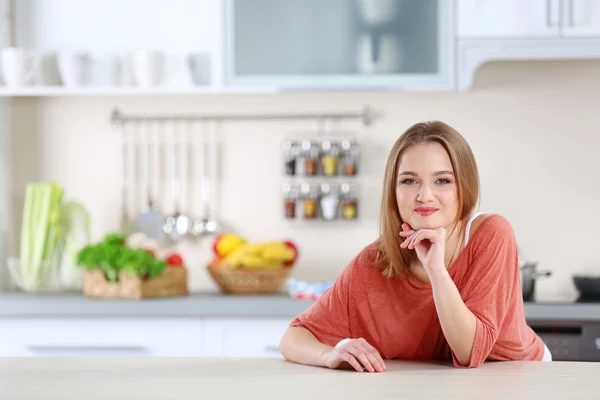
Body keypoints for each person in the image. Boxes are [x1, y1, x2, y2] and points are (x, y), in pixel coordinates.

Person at [279, 120, 550, 372]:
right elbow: (293, 337)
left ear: (463, 188)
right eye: (409, 181)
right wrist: (331, 354)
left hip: (524, 376)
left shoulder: (491, 233)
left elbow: (469, 353)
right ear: (394, 192)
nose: (424, 195)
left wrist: (436, 269)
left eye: (442, 180)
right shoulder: (373, 262)